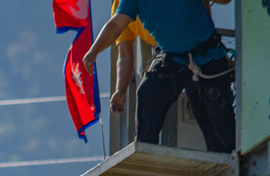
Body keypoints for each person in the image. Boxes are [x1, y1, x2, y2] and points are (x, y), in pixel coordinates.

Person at [84, 0, 235, 153]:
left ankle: (228, 161)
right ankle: (145, 152)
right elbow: (117, 25)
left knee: (212, 115)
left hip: (206, 55)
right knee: (148, 92)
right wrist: (94, 50)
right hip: (172, 58)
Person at [109, 0, 157, 115]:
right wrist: (120, 90)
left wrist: (93, 53)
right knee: (145, 94)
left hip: (187, 43)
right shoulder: (118, 7)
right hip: (167, 51)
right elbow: (125, 55)